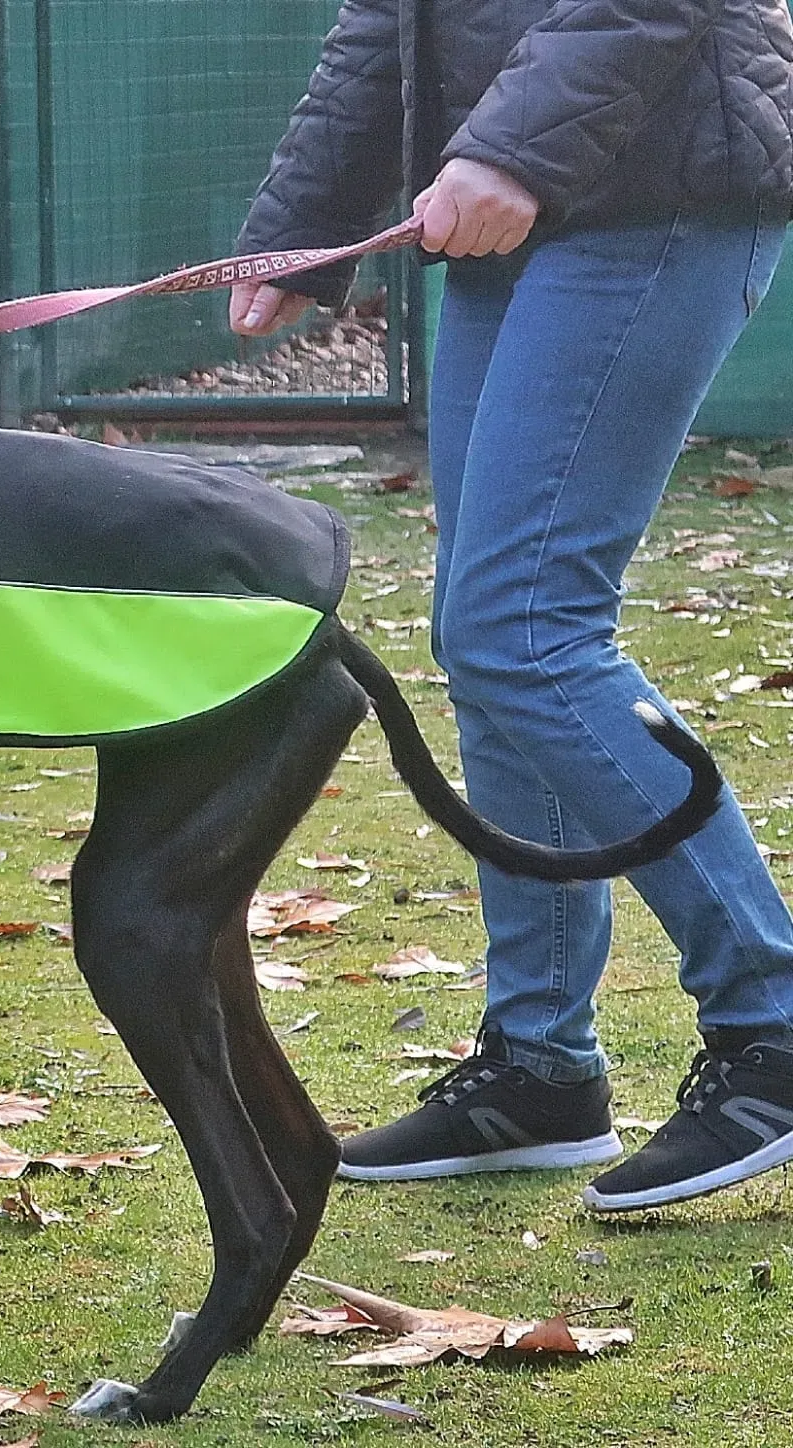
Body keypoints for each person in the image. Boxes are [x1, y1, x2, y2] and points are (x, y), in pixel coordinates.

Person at [233, 0, 793, 1212]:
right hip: (511, 216)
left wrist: (506, 154)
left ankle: (773, 1022)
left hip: (653, 186)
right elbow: (387, 19)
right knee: (484, 638)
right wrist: (299, 232)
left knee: (524, 629)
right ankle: (539, 1064)